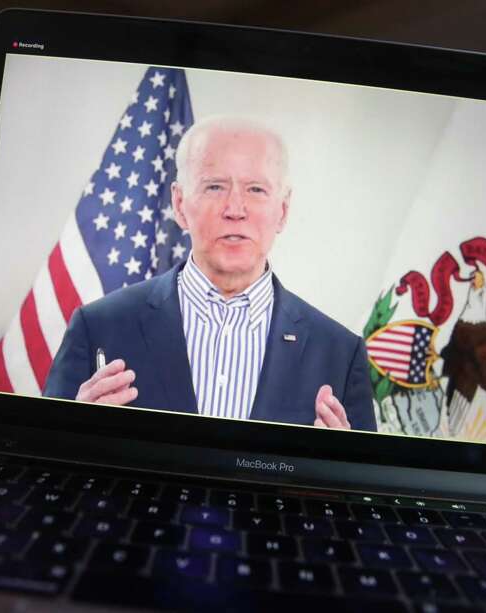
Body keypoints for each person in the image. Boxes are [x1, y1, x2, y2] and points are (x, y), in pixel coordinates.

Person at [44, 116, 376, 431]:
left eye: (256, 189)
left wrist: (338, 469)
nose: (235, 210)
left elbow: (364, 486)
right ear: (179, 203)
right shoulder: (98, 327)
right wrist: (72, 430)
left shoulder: (340, 355)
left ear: (283, 210)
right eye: (215, 187)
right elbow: (43, 464)